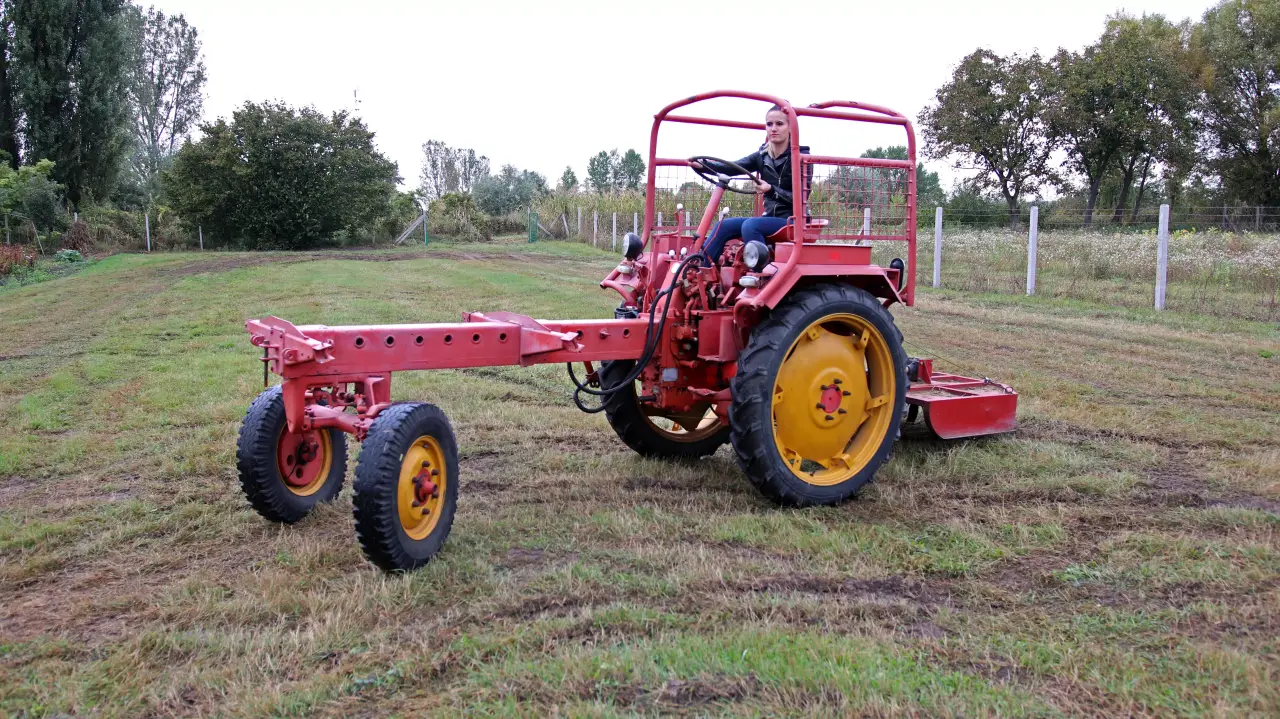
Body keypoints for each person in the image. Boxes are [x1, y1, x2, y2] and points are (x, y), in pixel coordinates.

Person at [692, 104, 810, 263]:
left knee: (751, 225)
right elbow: (733, 167)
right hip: (770, 217)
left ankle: (761, 273)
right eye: (769, 124)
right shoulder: (762, 156)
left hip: (792, 220)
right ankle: (701, 271)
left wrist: (771, 189)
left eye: (779, 124)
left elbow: (801, 198)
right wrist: (705, 165)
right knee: (723, 225)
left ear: (790, 128)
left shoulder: (802, 158)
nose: (773, 128)